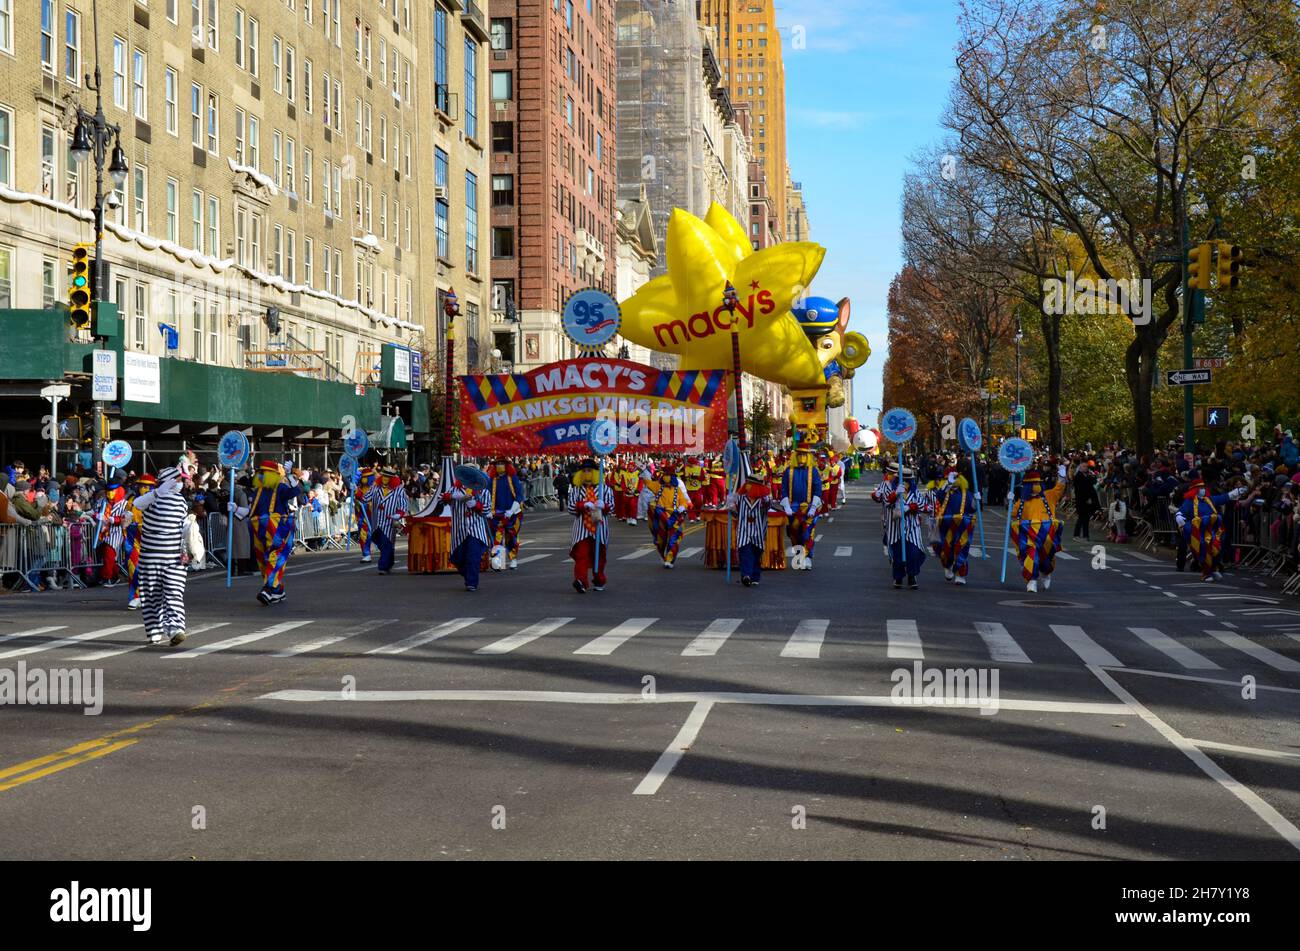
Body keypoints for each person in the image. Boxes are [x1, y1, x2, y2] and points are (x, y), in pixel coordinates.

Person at [132, 467, 191, 645]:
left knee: (174, 593)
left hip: (174, 558)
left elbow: (183, 528)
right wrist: (157, 493)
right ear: (170, 481)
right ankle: (154, 631)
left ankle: (175, 629)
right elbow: (137, 504)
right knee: (151, 595)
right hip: (150, 558)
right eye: (178, 480)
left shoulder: (181, 501)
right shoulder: (151, 498)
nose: (181, 483)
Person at [1176, 472, 1245, 582]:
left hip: (1211, 529)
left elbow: (1223, 498)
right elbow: (1181, 512)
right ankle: (1206, 573)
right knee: (1203, 549)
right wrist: (1179, 518)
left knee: (1216, 548)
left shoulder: (1210, 499)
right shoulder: (1189, 502)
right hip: (1198, 532)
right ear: (1196, 489)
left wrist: (1236, 492)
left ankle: (1214, 569)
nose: (1203, 490)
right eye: (1201, 488)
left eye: (1204, 487)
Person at [249, 460, 300, 605]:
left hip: (277, 528)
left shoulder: (280, 487)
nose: (262, 475)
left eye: (264, 473)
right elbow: (251, 511)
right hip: (259, 528)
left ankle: (268, 588)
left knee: (276, 556)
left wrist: (290, 476)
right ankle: (277, 590)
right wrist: (235, 510)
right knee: (263, 560)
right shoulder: (258, 490)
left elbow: (295, 492)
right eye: (261, 472)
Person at [872, 462, 929, 589]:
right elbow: (886, 501)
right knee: (897, 555)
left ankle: (912, 576)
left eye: (908, 481)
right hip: (894, 527)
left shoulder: (915, 492)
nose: (906, 483)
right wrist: (895, 493)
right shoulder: (890, 488)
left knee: (913, 553)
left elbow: (923, 506)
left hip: (912, 528)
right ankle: (898, 577)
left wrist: (910, 507)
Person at [1010, 470, 1066, 593]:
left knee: (1047, 558)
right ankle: (1032, 580)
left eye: (1038, 482)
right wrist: (1009, 501)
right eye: (1033, 483)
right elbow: (1012, 514)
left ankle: (1046, 573)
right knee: (1031, 556)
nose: (1036, 485)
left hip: (1047, 536)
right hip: (1030, 536)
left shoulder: (1049, 495)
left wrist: (1062, 477)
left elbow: (1059, 488)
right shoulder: (1022, 502)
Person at [568, 459, 615, 593]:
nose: (586, 473)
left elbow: (612, 508)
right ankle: (581, 581)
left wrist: (604, 506)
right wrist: (582, 505)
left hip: (599, 527)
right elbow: (570, 508)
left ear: (595, 472)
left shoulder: (604, 489)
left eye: (589, 470)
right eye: (584, 471)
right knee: (581, 555)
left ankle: (599, 579)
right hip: (582, 529)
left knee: (599, 556)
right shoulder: (576, 490)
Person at [445, 473, 492, 592]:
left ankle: (472, 582)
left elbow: (486, 510)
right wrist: (452, 497)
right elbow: (441, 499)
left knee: (473, 556)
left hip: (475, 530)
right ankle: (469, 576)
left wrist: (476, 504)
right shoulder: (454, 489)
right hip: (459, 530)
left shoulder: (483, 491)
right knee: (457, 558)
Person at [780, 447, 823, 570]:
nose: (802, 457)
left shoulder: (813, 471)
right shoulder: (789, 471)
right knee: (793, 534)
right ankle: (799, 557)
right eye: (800, 454)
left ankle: (808, 558)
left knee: (807, 534)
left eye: (805, 455)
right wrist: (786, 506)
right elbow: (784, 490)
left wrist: (813, 507)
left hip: (808, 509)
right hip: (793, 509)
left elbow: (818, 490)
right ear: (795, 456)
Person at [932, 467, 976, 586]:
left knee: (961, 549)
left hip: (962, 525)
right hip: (946, 525)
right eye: (950, 479)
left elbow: (973, 509)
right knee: (945, 549)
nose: (953, 481)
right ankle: (948, 566)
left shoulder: (967, 493)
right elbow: (938, 496)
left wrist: (976, 500)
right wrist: (947, 485)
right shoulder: (944, 492)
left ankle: (960, 575)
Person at [730, 471, 771, 587]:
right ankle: (746, 575)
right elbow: (733, 510)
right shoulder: (740, 498)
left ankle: (755, 576)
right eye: (746, 483)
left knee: (756, 553)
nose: (746, 485)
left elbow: (768, 506)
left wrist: (766, 496)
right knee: (745, 552)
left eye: (749, 484)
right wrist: (730, 503)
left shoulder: (763, 500)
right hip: (744, 529)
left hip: (758, 531)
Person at [366, 467, 410, 575]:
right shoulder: (375, 488)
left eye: (388, 477)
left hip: (389, 522)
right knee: (380, 542)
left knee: (387, 544)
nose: (385, 479)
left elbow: (403, 505)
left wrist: (397, 515)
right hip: (376, 522)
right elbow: (365, 498)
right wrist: (356, 491)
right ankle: (389, 562)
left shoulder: (399, 490)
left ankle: (383, 566)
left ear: (392, 479)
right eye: (384, 476)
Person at [123, 473, 157, 609]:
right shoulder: (131, 501)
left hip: (153, 541)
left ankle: (152, 596)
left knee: (153, 572)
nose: (144, 489)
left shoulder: (157, 501)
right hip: (134, 542)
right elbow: (125, 520)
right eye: (142, 486)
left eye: (147, 486)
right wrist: (124, 521)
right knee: (134, 567)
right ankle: (137, 597)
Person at [486, 458, 525, 570]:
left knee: (511, 537)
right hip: (497, 514)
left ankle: (513, 559)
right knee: (496, 538)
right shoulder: (492, 480)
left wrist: (512, 510)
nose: (499, 465)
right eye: (497, 463)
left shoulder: (512, 478)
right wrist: (488, 510)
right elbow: (487, 495)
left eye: (501, 463)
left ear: (507, 465)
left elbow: (519, 495)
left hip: (512, 514)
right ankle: (498, 561)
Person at [652, 461, 691, 568]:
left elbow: (684, 499)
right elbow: (647, 482)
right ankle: (662, 554)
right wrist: (643, 470)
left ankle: (669, 559)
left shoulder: (678, 487)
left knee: (674, 538)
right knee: (661, 540)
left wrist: (683, 506)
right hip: (661, 517)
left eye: (668, 475)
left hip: (675, 517)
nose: (666, 478)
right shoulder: (658, 486)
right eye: (665, 475)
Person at [1072, 460, 1101, 540]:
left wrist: (1093, 475)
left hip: (1088, 500)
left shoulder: (1088, 475)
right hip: (1081, 500)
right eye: (1084, 466)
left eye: (1086, 466)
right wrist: (1086, 498)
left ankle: (1086, 535)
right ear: (1080, 468)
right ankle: (1076, 534)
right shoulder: (1078, 476)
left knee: (1086, 518)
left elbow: (1093, 483)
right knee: (1081, 518)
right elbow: (1080, 489)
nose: (1086, 468)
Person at [355, 466, 377, 563]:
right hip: (362, 517)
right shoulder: (359, 489)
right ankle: (366, 554)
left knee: (376, 535)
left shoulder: (375, 489)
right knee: (364, 535)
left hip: (374, 516)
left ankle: (385, 553)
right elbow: (357, 499)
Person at [682, 457, 706, 522]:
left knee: (699, 503)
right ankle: (691, 517)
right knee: (690, 503)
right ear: (689, 463)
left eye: (695, 463)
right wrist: (686, 477)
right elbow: (682, 478)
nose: (694, 464)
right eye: (692, 463)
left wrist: (697, 477)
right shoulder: (685, 469)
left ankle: (697, 514)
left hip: (697, 489)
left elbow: (703, 478)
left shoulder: (699, 469)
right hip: (689, 489)